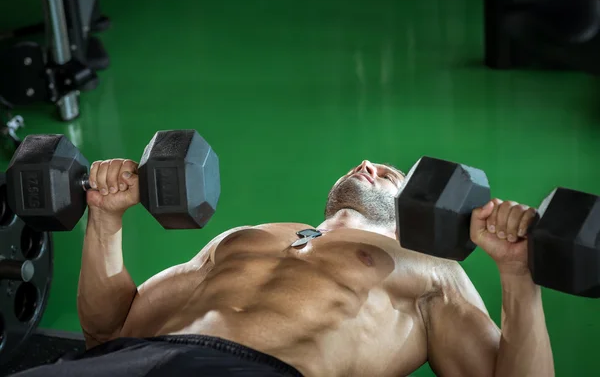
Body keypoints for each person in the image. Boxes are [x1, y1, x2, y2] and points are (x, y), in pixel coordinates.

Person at [15, 159, 554, 377]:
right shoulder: (246, 237)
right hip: (134, 361)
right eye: (365, 163)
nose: (369, 163)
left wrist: (517, 274)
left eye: (388, 172)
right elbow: (107, 330)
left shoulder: (430, 271)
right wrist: (106, 220)